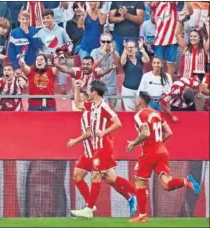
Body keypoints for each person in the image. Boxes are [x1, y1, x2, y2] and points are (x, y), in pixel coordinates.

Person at [126, 91, 201, 222]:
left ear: (140, 101)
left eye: (137, 99)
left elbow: (145, 133)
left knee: (139, 182)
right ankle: (185, 181)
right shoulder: (156, 114)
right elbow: (169, 132)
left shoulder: (139, 115)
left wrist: (133, 143)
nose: (135, 101)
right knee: (166, 185)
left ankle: (142, 215)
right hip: (162, 151)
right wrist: (158, 143)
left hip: (149, 153)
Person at [71, 80, 137, 219]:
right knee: (111, 178)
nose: (88, 93)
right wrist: (76, 88)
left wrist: (104, 131)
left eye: (89, 91)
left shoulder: (103, 107)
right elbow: (77, 104)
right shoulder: (93, 106)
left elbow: (118, 122)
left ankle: (89, 209)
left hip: (103, 146)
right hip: (97, 147)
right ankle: (137, 193)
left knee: (96, 176)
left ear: (94, 92)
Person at [90, 33, 121, 109]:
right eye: (103, 41)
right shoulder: (94, 52)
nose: (106, 44)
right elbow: (92, 67)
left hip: (111, 87)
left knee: (111, 110)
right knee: (100, 109)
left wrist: (113, 52)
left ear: (112, 42)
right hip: (99, 87)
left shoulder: (115, 53)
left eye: (108, 41)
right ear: (100, 42)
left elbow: (118, 68)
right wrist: (102, 55)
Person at [149, 2, 178, 77]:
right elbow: (149, 3)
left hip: (171, 40)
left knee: (170, 65)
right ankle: (158, 83)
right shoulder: (156, 4)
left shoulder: (172, 4)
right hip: (159, 41)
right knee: (158, 65)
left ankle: (169, 84)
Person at [176, 15, 209, 81]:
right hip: (186, 79)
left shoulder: (204, 48)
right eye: (191, 36)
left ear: (200, 38)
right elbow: (177, 35)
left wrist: (207, 24)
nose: (192, 38)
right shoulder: (186, 48)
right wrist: (179, 21)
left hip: (199, 80)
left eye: (195, 36)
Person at [121, 40, 150, 111]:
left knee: (141, 111)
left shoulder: (139, 58)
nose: (129, 49)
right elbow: (122, 62)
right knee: (130, 111)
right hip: (127, 90)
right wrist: (124, 49)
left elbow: (147, 60)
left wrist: (142, 49)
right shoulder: (125, 59)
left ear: (135, 49)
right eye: (128, 47)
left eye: (131, 47)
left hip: (139, 90)